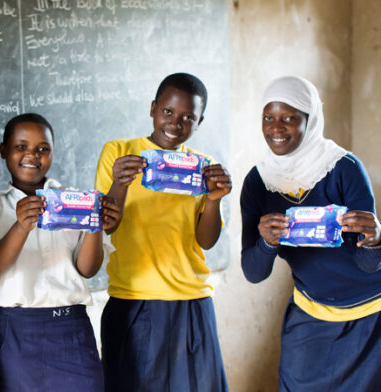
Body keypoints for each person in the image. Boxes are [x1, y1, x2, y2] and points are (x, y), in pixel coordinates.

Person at [241, 75, 381, 391]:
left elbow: (369, 264)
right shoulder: (258, 182)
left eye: (289, 118)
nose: (276, 129)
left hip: (371, 313)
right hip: (311, 312)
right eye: (268, 117)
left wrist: (375, 239)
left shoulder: (343, 167)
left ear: (310, 119)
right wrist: (266, 242)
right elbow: (253, 272)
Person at [95, 73, 231, 391]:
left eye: (188, 117)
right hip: (134, 300)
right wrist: (120, 183)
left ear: (199, 122)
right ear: (154, 108)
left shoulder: (203, 166)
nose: (175, 123)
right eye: (168, 112)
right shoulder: (119, 152)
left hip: (191, 299)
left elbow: (206, 241)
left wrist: (214, 199)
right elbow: (106, 224)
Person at [0, 113, 120, 392]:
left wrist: (94, 224)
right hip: (14, 329)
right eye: (21, 146)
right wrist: (20, 226)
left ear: (52, 154)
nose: (32, 155)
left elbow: (88, 268)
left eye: (43, 148)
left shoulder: (76, 200)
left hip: (71, 328)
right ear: (3, 150)